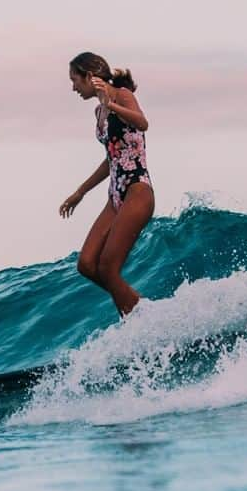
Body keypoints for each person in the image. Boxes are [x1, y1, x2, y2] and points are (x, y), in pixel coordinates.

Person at [60, 51, 155, 316]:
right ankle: (141, 310)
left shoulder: (122, 96)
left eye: (75, 80)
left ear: (90, 76)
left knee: (108, 267)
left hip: (137, 189)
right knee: (87, 264)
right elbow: (111, 158)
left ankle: (138, 321)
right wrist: (80, 192)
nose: (73, 87)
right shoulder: (97, 111)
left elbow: (142, 123)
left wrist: (110, 104)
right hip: (115, 194)